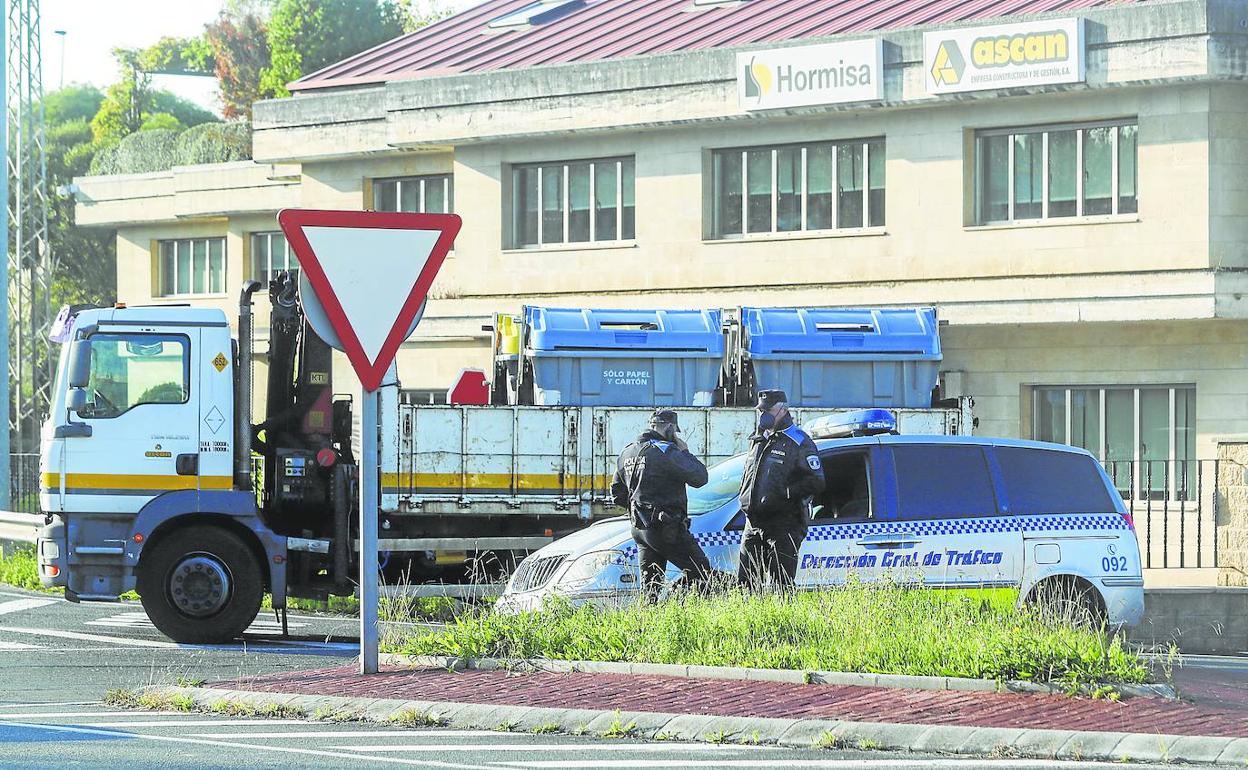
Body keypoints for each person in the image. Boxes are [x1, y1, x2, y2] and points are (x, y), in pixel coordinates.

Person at [611, 409, 712, 601]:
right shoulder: (667, 450)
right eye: (674, 430)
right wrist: (685, 452)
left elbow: (617, 494)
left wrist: (640, 510)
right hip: (667, 528)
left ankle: (648, 623)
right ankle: (681, 609)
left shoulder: (627, 452)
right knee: (701, 571)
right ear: (670, 427)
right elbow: (700, 477)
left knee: (650, 588)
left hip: (640, 528)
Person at [737, 389, 826, 589]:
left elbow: (817, 481)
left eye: (768, 410)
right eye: (761, 411)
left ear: (783, 410)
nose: (763, 415)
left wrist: (785, 493)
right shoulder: (758, 440)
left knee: (781, 585)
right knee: (746, 585)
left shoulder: (799, 441)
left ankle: (784, 620)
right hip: (753, 523)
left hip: (784, 524)